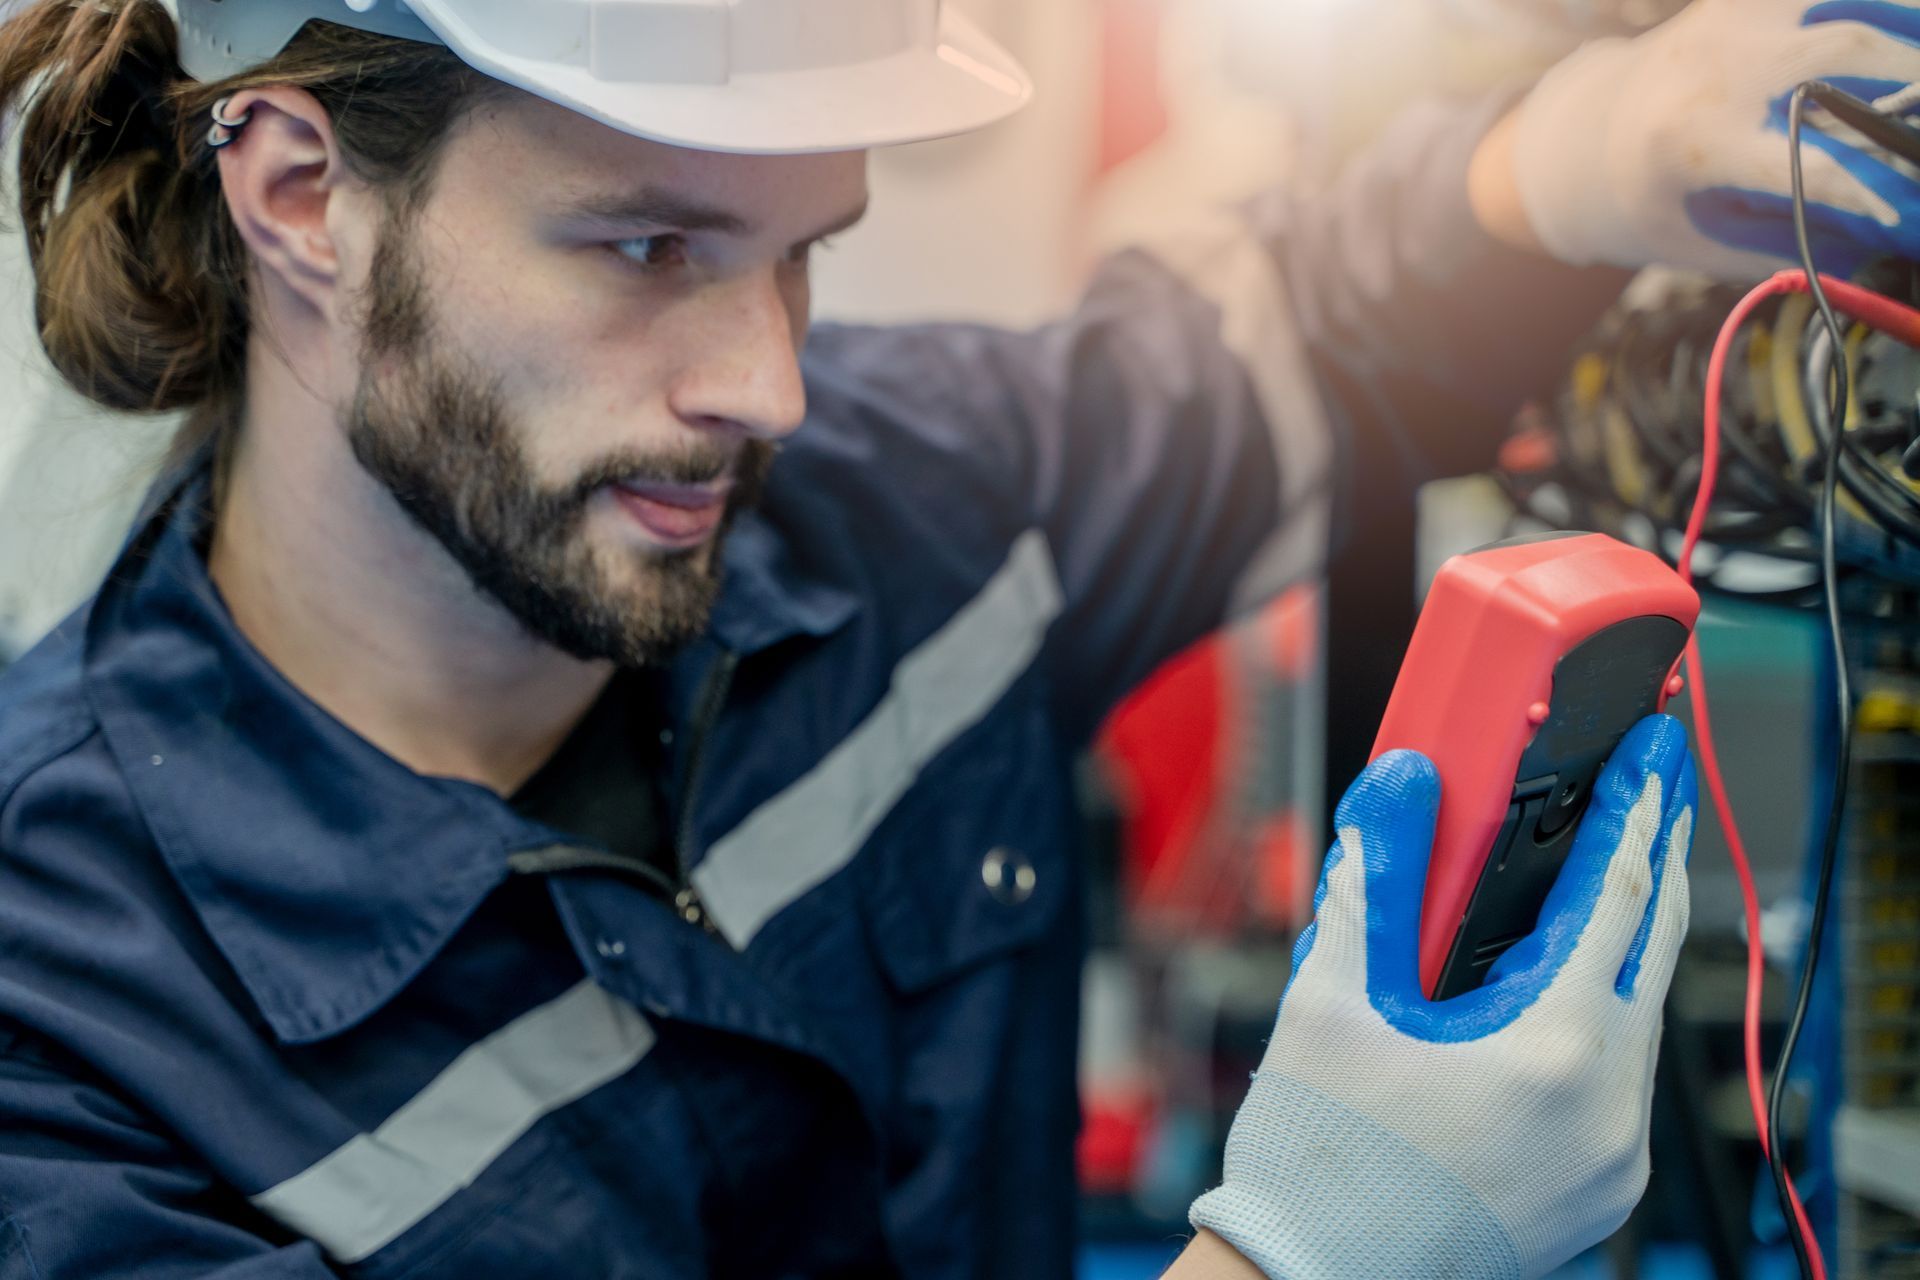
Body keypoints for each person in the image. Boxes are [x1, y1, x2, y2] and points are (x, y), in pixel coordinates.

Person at [0, 1, 1911, 1276]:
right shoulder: (66, 1026)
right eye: (650, 250)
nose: (771, 389)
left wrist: (1579, 143)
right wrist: (1320, 1243)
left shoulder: (906, 512)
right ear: (301, 198)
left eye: (804, 251)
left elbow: (1303, 334)